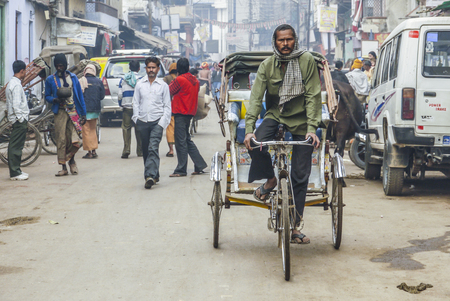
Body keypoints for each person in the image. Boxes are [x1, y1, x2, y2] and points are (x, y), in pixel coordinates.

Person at [243, 24, 321, 244]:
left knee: (300, 173)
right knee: (255, 142)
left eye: (289, 39)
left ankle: (295, 226)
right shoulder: (267, 66)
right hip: (276, 115)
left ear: (295, 40)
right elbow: (256, 98)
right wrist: (249, 129)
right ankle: (270, 180)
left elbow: (313, 96)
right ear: (274, 42)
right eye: (281, 40)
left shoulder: (306, 61)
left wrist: (312, 129)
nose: (285, 44)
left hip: (301, 119)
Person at [132, 57, 171, 189]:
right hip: (142, 121)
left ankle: (149, 176)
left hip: (157, 122)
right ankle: (155, 175)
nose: (151, 70)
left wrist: (162, 123)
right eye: (149, 67)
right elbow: (135, 103)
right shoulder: (139, 84)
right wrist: (136, 118)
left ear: (158, 69)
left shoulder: (163, 86)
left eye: (153, 67)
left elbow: (167, 106)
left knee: (153, 147)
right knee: (145, 150)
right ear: (146, 69)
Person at [45, 53, 86, 177]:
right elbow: (47, 96)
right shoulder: (50, 80)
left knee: (73, 139)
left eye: (61, 66)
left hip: (73, 112)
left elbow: (80, 96)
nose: (59, 68)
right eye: (57, 66)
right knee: (61, 139)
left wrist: (83, 114)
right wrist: (54, 100)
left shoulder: (73, 78)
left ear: (65, 65)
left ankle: (72, 161)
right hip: (60, 113)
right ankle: (63, 167)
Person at [169, 58, 207, 177]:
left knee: (180, 142)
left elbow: (170, 90)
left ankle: (181, 169)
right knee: (186, 139)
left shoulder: (179, 79)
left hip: (180, 112)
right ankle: (199, 164)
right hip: (190, 112)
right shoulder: (194, 80)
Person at [6, 60, 29, 180]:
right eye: (25, 71)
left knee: (16, 145)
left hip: (17, 119)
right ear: (22, 71)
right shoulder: (16, 85)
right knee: (16, 146)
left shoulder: (13, 83)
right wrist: (21, 118)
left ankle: (17, 170)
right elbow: (16, 105)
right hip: (18, 120)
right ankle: (15, 173)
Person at [118, 60, 143, 159]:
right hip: (138, 108)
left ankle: (126, 149)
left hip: (127, 107)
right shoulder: (141, 80)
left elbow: (120, 95)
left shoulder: (123, 79)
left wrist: (121, 104)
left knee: (126, 128)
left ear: (129, 68)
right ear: (139, 68)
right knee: (139, 129)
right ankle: (140, 151)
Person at [80, 64, 105, 159]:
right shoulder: (99, 82)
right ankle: (94, 151)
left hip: (85, 110)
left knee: (86, 131)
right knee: (93, 130)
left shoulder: (82, 81)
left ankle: (89, 152)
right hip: (95, 110)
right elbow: (102, 96)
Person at [163, 62, 177, 157]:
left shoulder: (166, 79)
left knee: (170, 128)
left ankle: (171, 150)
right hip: (180, 108)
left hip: (170, 106)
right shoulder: (181, 78)